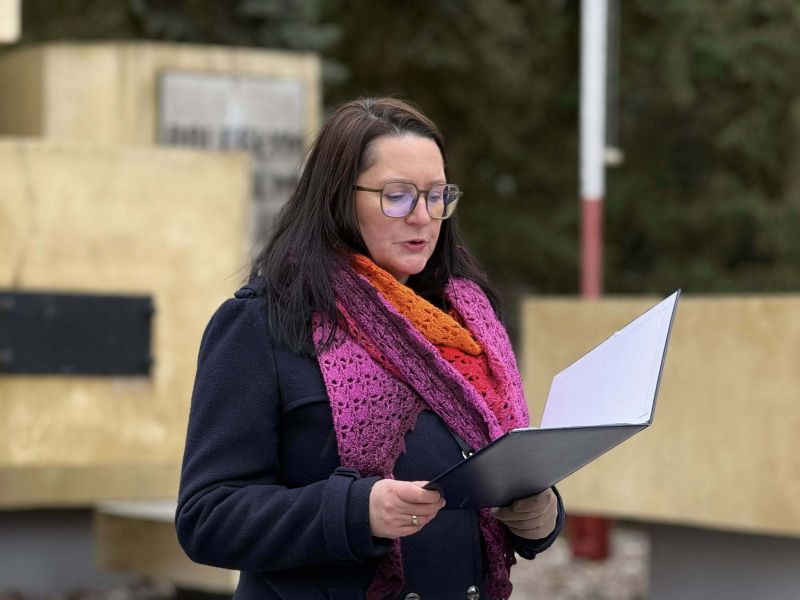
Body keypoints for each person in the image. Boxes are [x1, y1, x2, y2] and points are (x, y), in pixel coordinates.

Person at [176, 97, 565, 600]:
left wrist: (541, 515)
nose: (423, 217)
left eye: (437, 195)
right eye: (397, 196)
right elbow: (207, 517)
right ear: (339, 198)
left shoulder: (469, 320)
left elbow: (490, 470)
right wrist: (355, 511)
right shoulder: (261, 323)